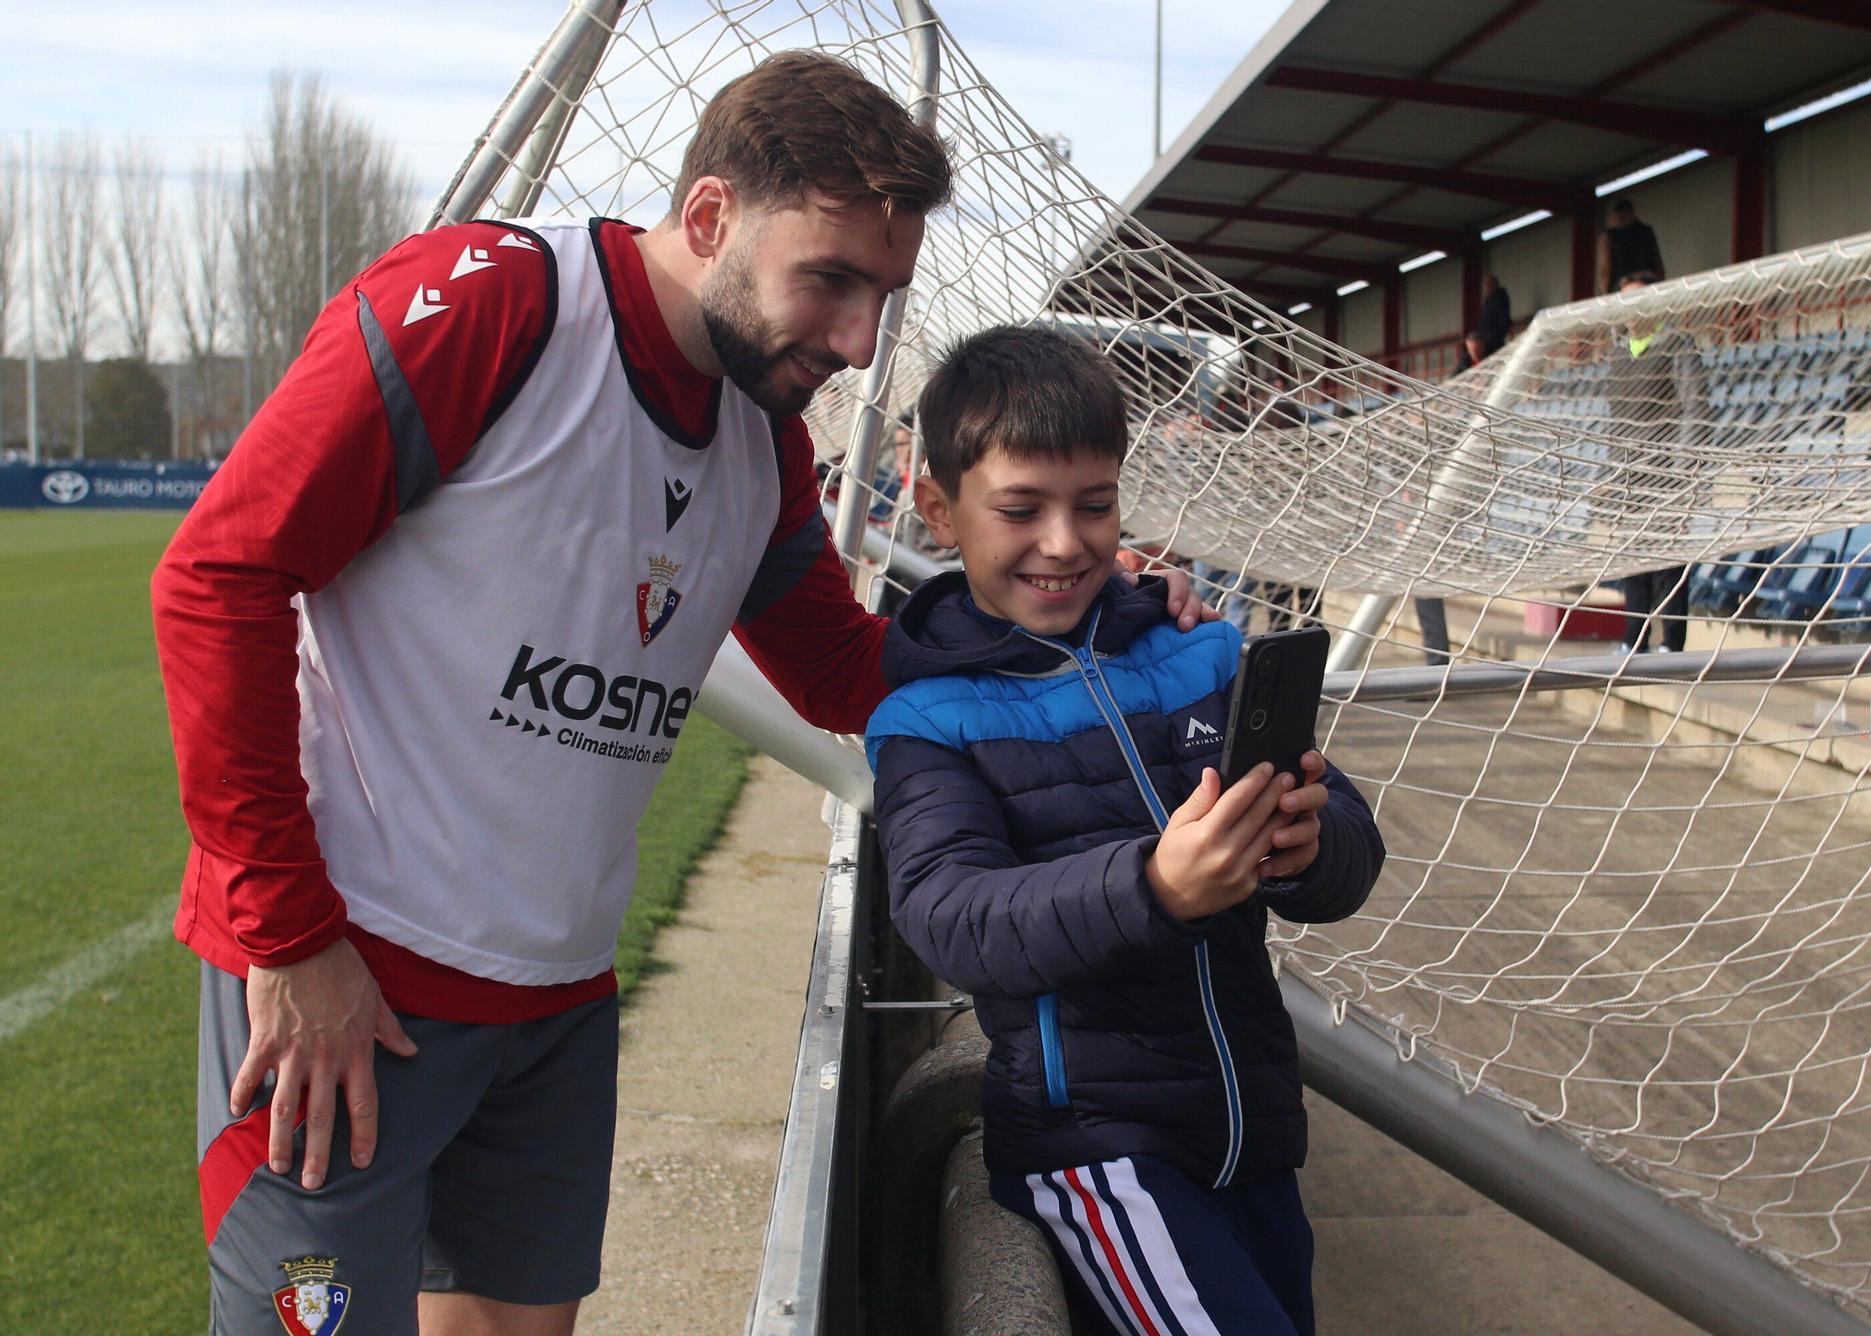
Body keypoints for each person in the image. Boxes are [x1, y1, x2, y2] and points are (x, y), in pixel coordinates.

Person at [152, 53, 1211, 1336]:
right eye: (828, 280)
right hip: (345, 968)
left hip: (554, 991)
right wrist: (291, 937)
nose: (858, 339)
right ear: (710, 218)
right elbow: (218, 576)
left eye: (883, 292)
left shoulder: (762, 439)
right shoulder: (497, 306)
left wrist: (1088, 612)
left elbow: (839, 668)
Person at [868, 327, 1384, 1334]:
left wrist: (1306, 846)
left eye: (1093, 504)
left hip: (1250, 1133)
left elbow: (1350, 840)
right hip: (1097, 1150)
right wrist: (1154, 886)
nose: (1063, 541)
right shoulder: (928, 719)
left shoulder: (1194, 651)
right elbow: (951, 914)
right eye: (1020, 508)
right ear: (938, 509)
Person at [1604, 271, 1704, 654]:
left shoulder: (1676, 344)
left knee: (1670, 566)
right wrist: (1612, 472)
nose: (1632, 310)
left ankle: (1672, 645)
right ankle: (1634, 641)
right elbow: (1614, 419)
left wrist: (1686, 468)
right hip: (1628, 476)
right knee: (1633, 564)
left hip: (1667, 473)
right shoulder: (1617, 351)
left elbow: (1696, 407)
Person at [1599, 199, 1666, 294]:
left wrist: (1605, 294)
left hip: (1624, 284)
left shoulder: (1609, 236)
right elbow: (1659, 264)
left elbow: (1605, 271)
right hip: (1649, 281)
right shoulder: (1646, 231)